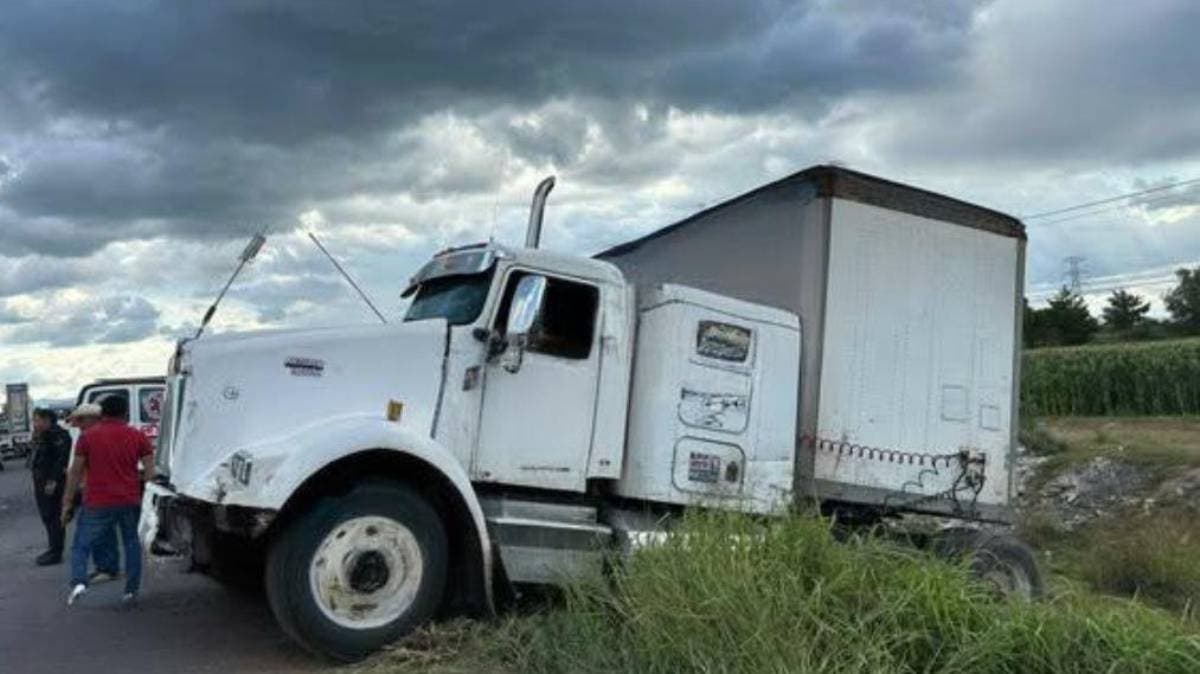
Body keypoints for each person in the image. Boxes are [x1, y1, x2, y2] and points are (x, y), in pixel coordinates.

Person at [61, 395, 155, 606]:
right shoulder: (138, 436)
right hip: (129, 499)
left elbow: (75, 472)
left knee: (81, 545)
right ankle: (131, 591)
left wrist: (67, 501)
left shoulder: (87, 437)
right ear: (126, 413)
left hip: (96, 501)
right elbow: (150, 471)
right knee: (132, 544)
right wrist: (148, 499)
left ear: (102, 413)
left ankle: (79, 582)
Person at [65, 403, 121, 583]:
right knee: (105, 531)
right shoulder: (104, 434)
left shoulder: (91, 437)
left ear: (94, 419)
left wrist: (69, 497)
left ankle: (107, 568)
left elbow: (78, 468)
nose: (78, 424)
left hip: (98, 492)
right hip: (104, 490)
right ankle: (107, 566)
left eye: (82, 419)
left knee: (96, 532)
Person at [30, 408, 72, 566]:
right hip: (41, 480)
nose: (35, 423)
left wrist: (52, 481)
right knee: (47, 516)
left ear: (47, 420)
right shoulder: (43, 435)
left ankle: (56, 552)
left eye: (37, 420)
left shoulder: (59, 436)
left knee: (54, 516)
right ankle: (52, 547)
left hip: (52, 482)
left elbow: (60, 461)